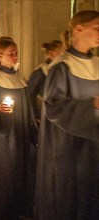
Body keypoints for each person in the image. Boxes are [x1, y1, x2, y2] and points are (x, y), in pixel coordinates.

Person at [35, 10, 99, 220]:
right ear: (79, 30)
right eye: (97, 28)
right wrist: (92, 104)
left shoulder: (96, 64)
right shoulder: (62, 66)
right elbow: (53, 106)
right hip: (70, 147)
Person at [0, 38, 38, 220]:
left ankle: (20, 207)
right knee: (5, 173)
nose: (14, 56)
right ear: (0, 55)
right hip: (3, 135)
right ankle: (1, 209)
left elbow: (28, 105)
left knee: (21, 170)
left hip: (21, 132)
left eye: (16, 53)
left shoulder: (20, 77)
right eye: (10, 53)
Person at [27, 40, 63, 123]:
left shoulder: (62, 69)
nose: (63, 55)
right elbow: (30, 94)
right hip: (47, 112)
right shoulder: (41, 71)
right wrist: (36, 115)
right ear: (51, 53)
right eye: (61, 51)